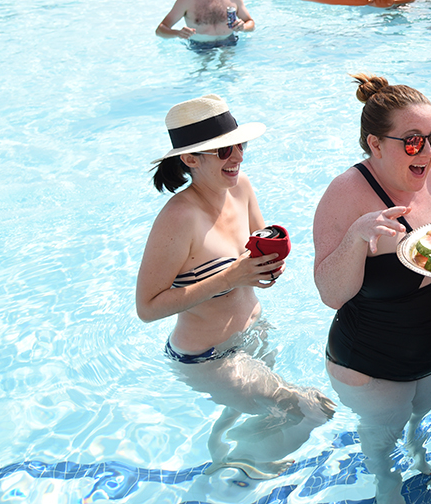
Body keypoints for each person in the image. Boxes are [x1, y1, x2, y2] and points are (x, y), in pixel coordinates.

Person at [138, 94, 334, 477]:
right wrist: (230, 278)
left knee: (275, 411)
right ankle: (241, 469)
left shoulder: (240, 186)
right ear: (191, 159)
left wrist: (266, 270)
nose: (238, 156)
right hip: (209, 358)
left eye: (240, 145)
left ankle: (229, 448)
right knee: (311, 410)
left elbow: (255, 254)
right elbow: (147, 308)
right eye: (225, 150)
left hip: (253, 334)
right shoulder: (177, 219)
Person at [312, 74, 431, 504]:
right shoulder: (346, 195)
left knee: (423, 432)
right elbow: (330, 294)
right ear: (374, 144)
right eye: (413, 142)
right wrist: (356, 239)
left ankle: (423, 463)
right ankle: (386, 489)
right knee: (383, 455)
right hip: (370, 369)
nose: (429, 152)